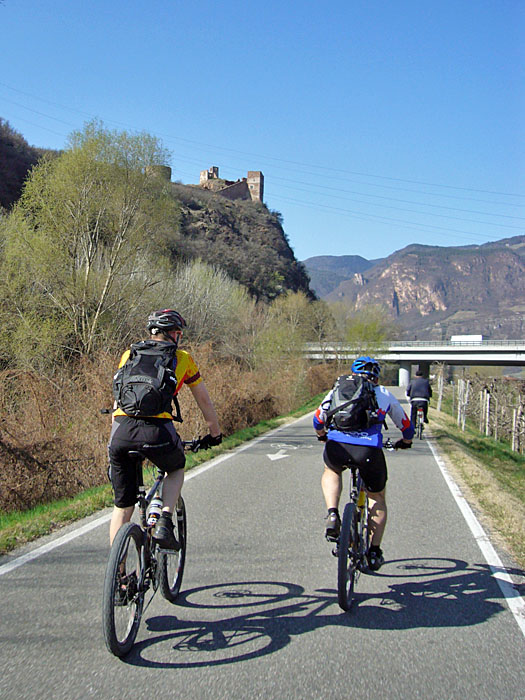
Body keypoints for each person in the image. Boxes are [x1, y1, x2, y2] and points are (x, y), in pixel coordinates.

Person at [108, 309, 222, 549]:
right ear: (173, 334)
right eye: (178, 333)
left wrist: (116, 441)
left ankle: (118, 577)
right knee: (176, 468)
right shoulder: (182, 358)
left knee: (122, 506)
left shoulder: (129, 354)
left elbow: (118, 399)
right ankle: (164, 521)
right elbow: (204, 400)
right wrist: (215, 434)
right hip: (157, 431)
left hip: (121, 431)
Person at [313, 356, 414, 571]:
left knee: (331, 469)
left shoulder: (338, 389)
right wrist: (406, 441)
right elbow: (406, 425)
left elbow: (318, 419)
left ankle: (332, 513)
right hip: (368, 452)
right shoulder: (384, 394)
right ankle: (374, 551)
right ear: (376, 376)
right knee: (376, 497)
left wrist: (322, 436)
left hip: (337, 447)